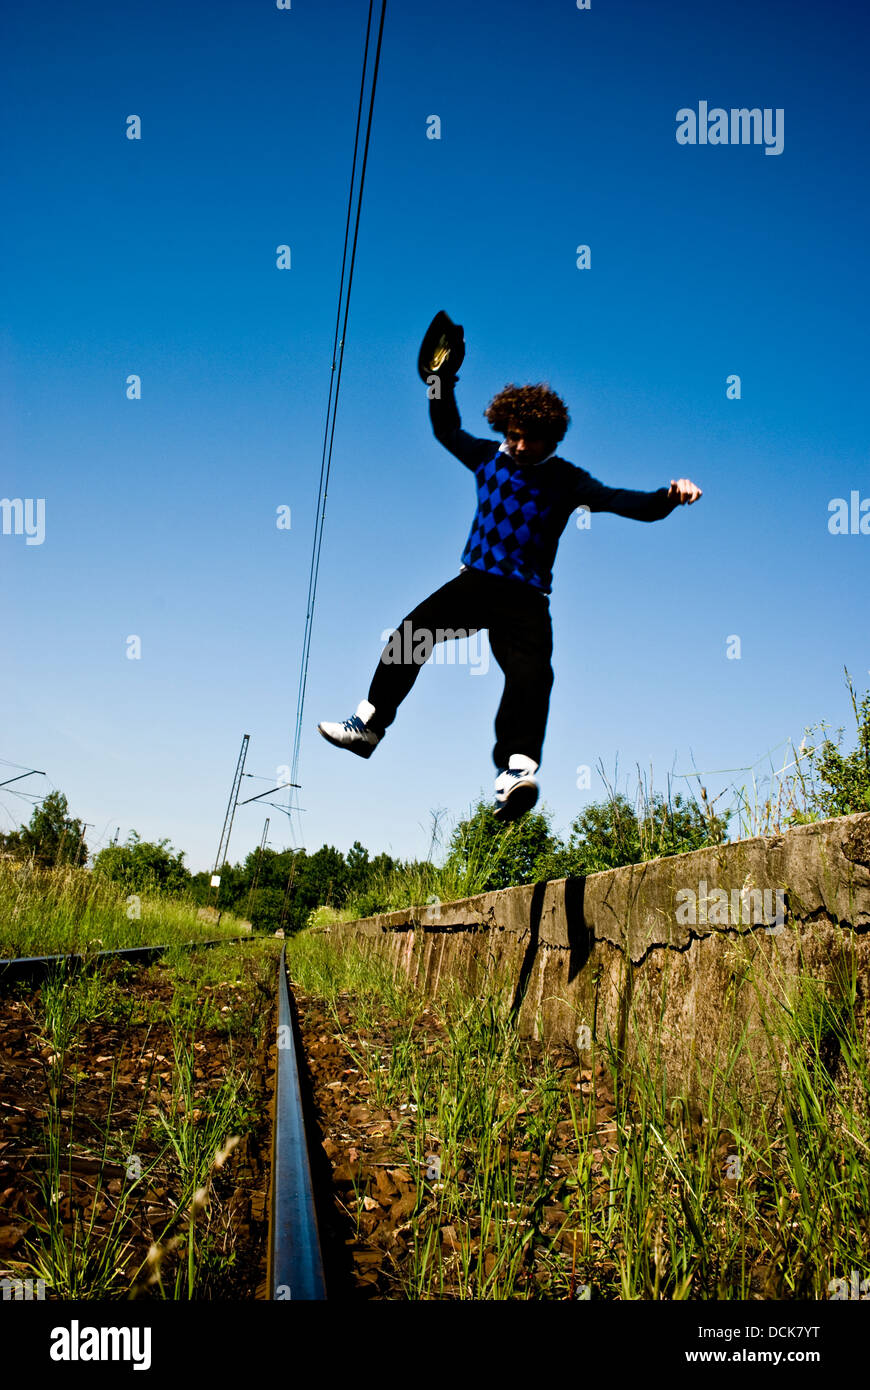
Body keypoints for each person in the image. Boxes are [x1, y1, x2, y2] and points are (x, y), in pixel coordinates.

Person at [318, 315, 702, 821]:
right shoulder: (488, 458)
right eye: (514, 436)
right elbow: (446, 428)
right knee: (409, 636)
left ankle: (516, 772)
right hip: (474, 584)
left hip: (524, 599)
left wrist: (669, 497)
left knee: (531, 675)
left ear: (553, 438)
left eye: (531, 439)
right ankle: (368, 725)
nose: (520, 447)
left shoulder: (567, 481)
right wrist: (439, 381)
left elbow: (624, 501)